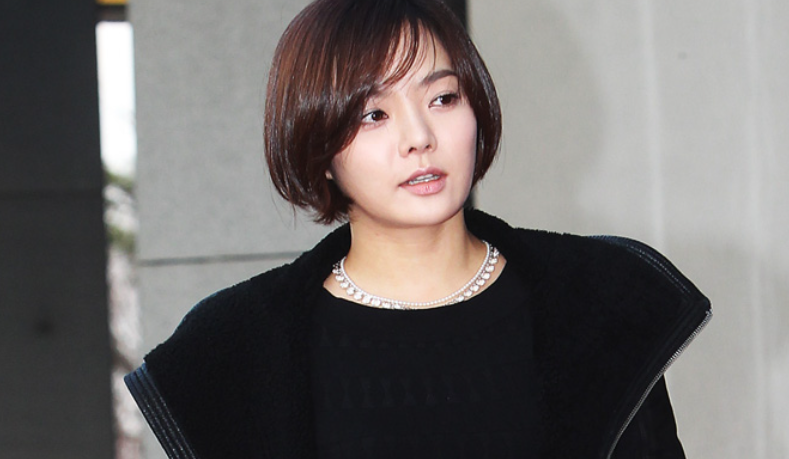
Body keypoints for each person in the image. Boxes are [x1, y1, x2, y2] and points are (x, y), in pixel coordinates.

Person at [125, 0, 712, 457]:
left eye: (443, 98)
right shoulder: (239, 351)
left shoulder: (599, 305)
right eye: (373, 114)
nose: (419, 137)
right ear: (319, 146)